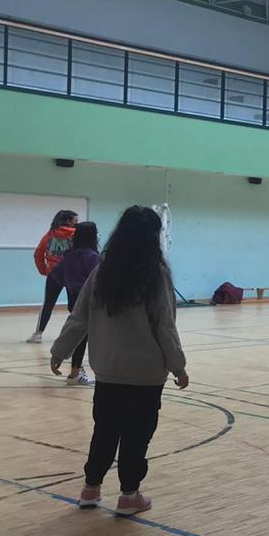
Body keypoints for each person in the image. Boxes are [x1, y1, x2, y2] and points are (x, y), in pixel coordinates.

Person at [50, 206, 188, 516]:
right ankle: (129, 494)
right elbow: (164, 324)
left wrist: (59, 351)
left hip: (109, 368)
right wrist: (178, 366)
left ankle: (90, 488)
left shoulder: (102, 270)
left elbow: (79, 317)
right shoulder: (155, 273)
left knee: (105, 429)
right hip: (146, 372)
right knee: (137, 434)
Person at [48, 221, 101, 386]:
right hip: (88, 298)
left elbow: (55, 275)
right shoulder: (92, 257)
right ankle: (76, 371)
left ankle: (76, 370)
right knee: (83, 336)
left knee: (79, 332)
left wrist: (70, 284)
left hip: (73, 297)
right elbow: (99, 279)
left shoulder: (69, 255)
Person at [26, 209, 78, 343]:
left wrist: (44, 269)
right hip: (72, 274)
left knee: (48, 303)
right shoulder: (77, 235)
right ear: (68, 221)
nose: (77, 223)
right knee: (75, 306)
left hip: (54, 273)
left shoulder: (49, 235)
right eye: (75, 221)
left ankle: (38, 334)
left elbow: (38, 253)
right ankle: (74, 334)